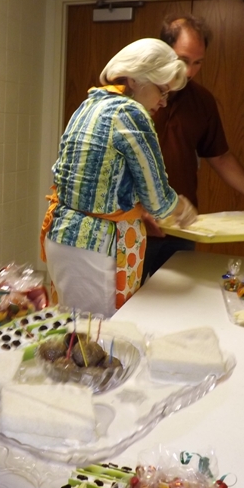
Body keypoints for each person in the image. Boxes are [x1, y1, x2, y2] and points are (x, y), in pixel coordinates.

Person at [40, 38, 198, 318]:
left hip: (63, 237)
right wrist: (183, 209)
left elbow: (99, 183)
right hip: (95, 247)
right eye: (162, 90)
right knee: (100, 334)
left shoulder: (90, 103)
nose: (163, 101)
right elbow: (159, 200)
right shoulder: (130, 112)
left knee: (73, 327)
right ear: (135, 79)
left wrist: (139, 210)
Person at [141, 14, 244, 280]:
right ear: (164, 50)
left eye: (198, 62)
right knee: (127, 302)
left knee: (179, 300)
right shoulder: (131, 95)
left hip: (180, 226)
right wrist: (137, 210)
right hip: (132, 227)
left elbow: (220, 156)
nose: (189, 71)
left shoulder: (202, 101)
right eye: (183, 60)